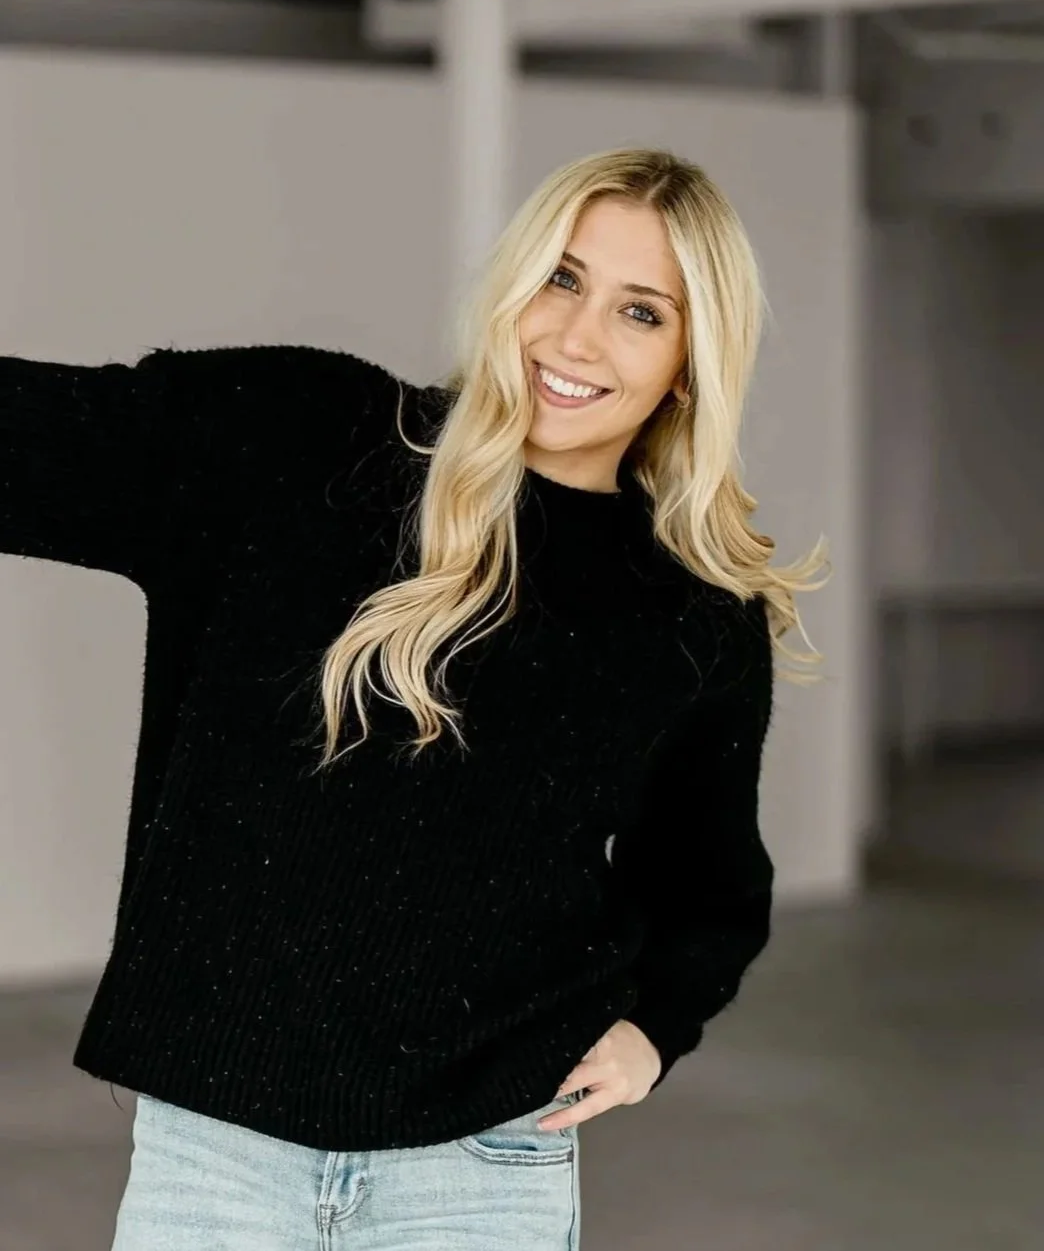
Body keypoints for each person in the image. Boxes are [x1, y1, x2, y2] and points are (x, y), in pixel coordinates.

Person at [0, 146, 824, 1250]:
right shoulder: (302, 442)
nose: (577, 338)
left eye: (642, 312)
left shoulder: (692, 616)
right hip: (218, 1155)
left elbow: (710, 884)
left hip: (482, 1168)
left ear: (688, 362)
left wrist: (654, 1029)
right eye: (562, 278)